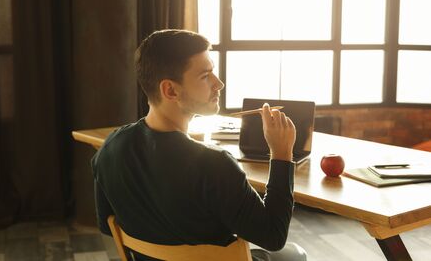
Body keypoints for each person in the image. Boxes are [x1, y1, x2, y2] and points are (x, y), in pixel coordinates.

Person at [91, 29, 307, 261]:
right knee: (294, 255)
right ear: (170, 90)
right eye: (205, 76)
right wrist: (282, 154)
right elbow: (273, 236)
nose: (219, 84)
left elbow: (107, 224)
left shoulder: (109, 149)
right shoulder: (215, 165)